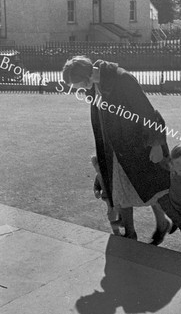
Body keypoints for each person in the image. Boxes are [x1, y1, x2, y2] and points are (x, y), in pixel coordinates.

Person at [62, 56, 172, 244]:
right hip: (113, 147)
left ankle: (162, 223)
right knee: (120, 189)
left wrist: (155, 144)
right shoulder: (94, 86)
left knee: (149, 187)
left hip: (137, 144)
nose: (78, 88)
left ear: (87, 75)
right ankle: (130, 233)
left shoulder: (122, 79)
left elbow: (147, 111)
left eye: (77, 83)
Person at [91, 155, 121, 236]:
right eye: (96, 169)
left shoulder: (111, 174)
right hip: (108, 199)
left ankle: (121, 224)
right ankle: (116, 232)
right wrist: (96, 191)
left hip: (117, 198)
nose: (98, 171)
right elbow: (96, 185)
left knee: (121, 211)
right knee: (112, 216)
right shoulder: (98, 176)